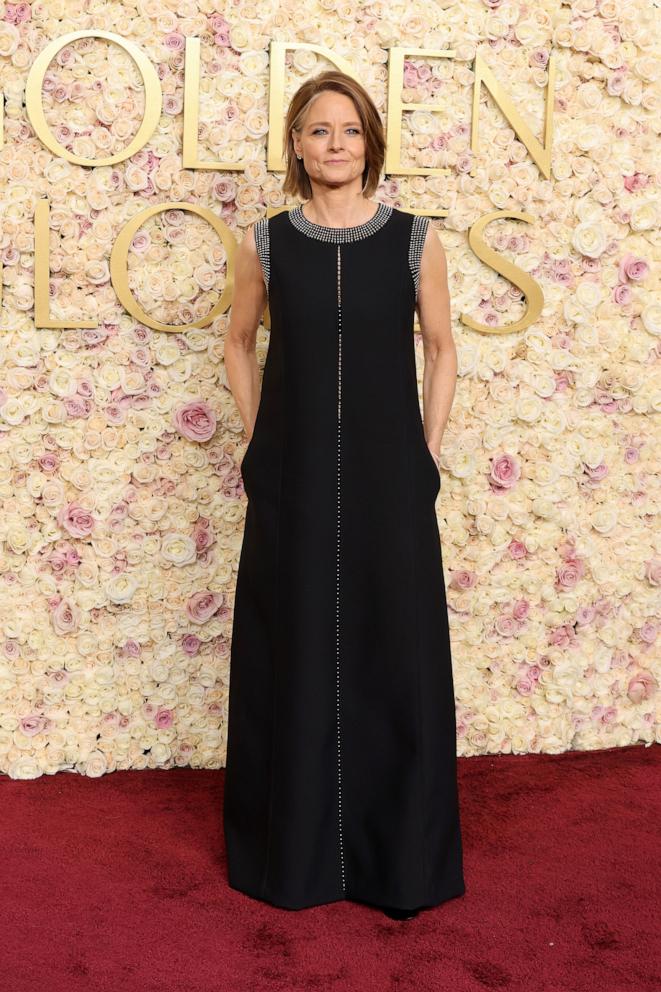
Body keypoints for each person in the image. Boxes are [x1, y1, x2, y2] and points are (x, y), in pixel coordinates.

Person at [223, 69, 465, 921]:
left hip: (388, 479)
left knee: (391, 647)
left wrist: (424, 451)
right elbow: (238, 344)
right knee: (289, 648)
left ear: (371, 143)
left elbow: (440, 349)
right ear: (295, 143)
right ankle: (288, 857)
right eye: (319, 130)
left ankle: (395, 857)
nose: (334, 144)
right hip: (287, 477)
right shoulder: (264, 242)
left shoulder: (414, 240)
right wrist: (257, 443)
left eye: (350, 130)